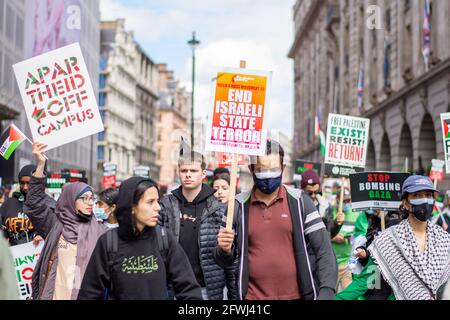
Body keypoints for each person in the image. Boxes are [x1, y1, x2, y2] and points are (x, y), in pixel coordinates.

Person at [214, 139, 337, 300]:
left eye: (274, 170)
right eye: (262, 170)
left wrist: (327, 289)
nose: (268, 175)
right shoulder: (237, 206)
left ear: (283, 168)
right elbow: (222, 259)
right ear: (251, 169)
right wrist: (225, 250)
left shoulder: (300, 201)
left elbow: (324, 250)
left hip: (297, 296)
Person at [78, 177, 202, 300]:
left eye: (157, 201)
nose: (158, 207)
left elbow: (188, 289)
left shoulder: (164, 238)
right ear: (131, 206)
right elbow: (90, 293)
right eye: (150, 202)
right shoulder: (108, 242)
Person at [336, 175, 450, 300]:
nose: (424, 200)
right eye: (417, 195)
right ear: (405, 203)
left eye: (428, 195)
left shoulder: (444, 240)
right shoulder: (388, 241)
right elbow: (364, 282)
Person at [24, 142, 108, 300]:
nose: (90, 203)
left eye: (92, 198)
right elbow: (34, 205)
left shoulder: (100, 232)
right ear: (70, 200)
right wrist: (41, 164)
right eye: (84, 198)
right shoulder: (56, 226)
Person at [159, 150, 235, 300]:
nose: (188, 175)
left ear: (203, 173)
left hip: (206, 289)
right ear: (178, 172)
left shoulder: (219, 209)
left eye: (193, 170)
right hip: (172, 288)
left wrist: (226, 250)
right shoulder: (165, 205)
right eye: (184, 170)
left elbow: (230, 261)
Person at [0, 164, 51, 246]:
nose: (25, 187)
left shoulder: (48, 205)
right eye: (22, 183)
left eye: (29, 183)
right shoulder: (8, 205)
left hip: (39, 255)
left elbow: (56, 233)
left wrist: (45, 237)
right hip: (15, 256)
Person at [330, 187, 360, 292]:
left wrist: (346, 239)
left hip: (348, 264)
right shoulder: (329, 212)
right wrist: (333, 238)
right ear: (338, 199)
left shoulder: (356, 214)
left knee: (348, 294)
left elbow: (359, 236)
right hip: (332, 264)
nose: (347, 203)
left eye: (349, 200)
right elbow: (322, 234)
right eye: (344, 201)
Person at [301, 170, 344, 238]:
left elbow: (329, 234)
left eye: (316, 192)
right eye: (309, 192)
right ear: (302, 190)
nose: (313, 195)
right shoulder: (296, 206)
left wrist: (337, 224)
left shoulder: (326, 207)